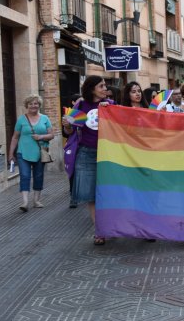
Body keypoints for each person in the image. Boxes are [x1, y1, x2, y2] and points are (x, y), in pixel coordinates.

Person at [62, 75, 112, 245]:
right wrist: (67, 125)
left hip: (108, 154)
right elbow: (69, 133)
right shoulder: (81, 105)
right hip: (86, 153)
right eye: (102, 86)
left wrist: (110, 110)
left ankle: (109, 225)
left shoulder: (110, 105)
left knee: (108, 191)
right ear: (92, 89)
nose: (105, 89)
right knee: (91, 194)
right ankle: (99, 230)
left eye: (105, 86)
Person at [8, 94, 53, 212]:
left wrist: (41, 136)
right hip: (23, 152)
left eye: (36, 103)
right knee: (25, 176)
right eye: (31, 104)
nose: (33, 106)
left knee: (38, 176)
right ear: (27, 105)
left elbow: (51, 135)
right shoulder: (21, 120)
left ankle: (36, 200)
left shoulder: (45, 119)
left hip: (40, 153)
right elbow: (15, 137)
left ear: (39, 105)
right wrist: (10, 154)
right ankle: (25, 202)